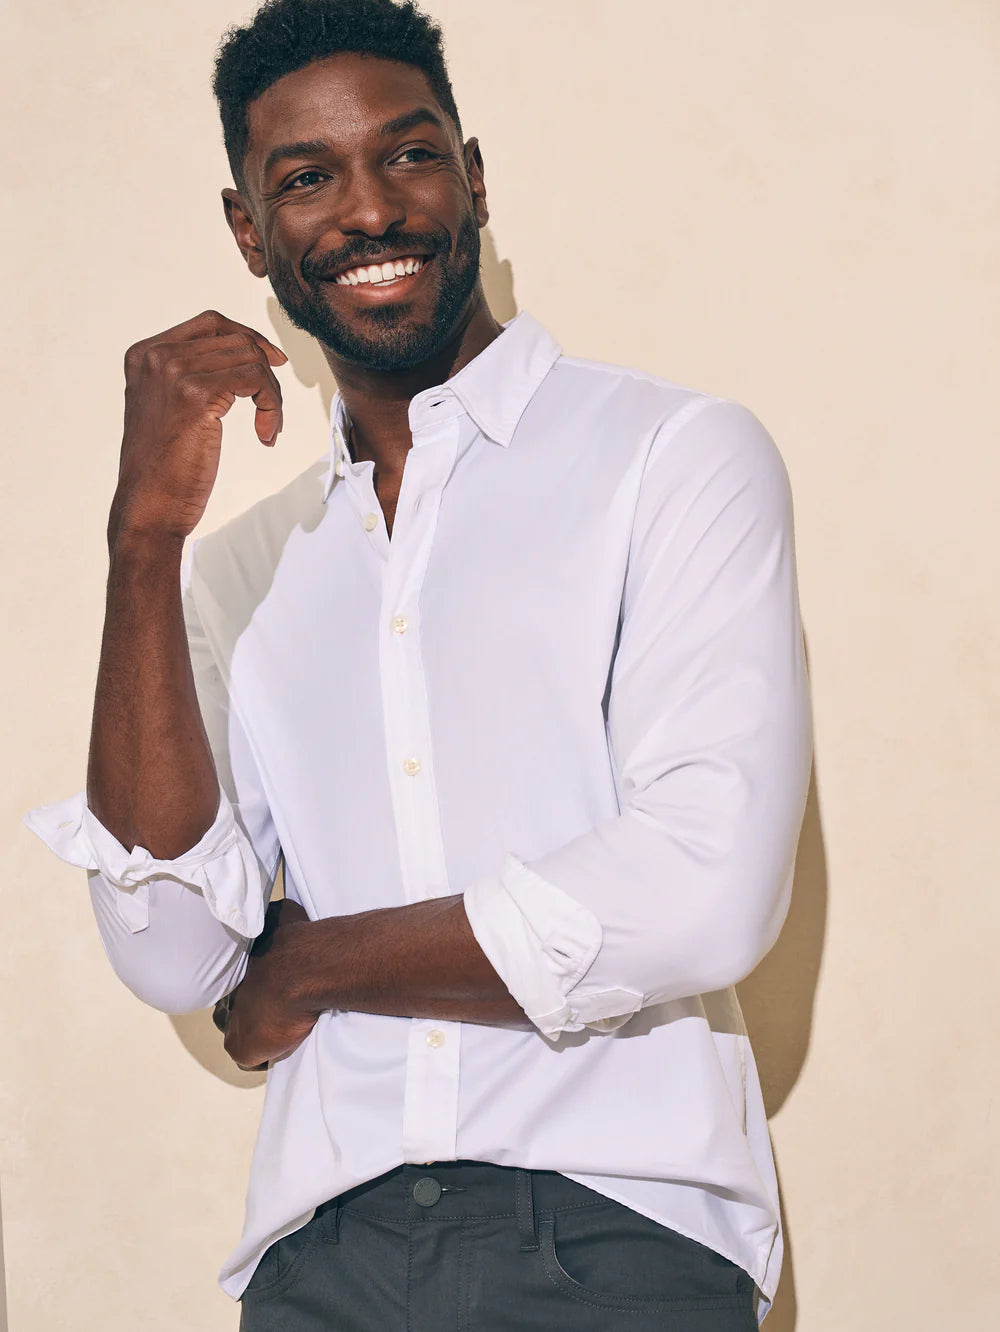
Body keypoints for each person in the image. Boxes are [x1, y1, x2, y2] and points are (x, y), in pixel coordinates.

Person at [24, 0, 813, 1327]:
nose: (370, 209)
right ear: (247, 229)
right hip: (320, 1261)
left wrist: (317, 964)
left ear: (476, 175)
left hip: (614, 1237)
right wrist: (144, 537)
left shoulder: (670, 458)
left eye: (409, 154)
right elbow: (173, 953)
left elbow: (704, 887)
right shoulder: (239, 572)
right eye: (307, 178)